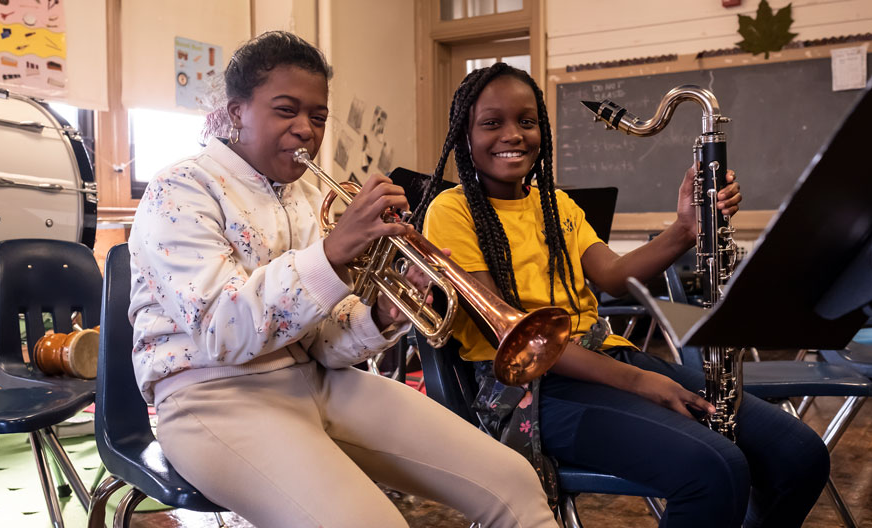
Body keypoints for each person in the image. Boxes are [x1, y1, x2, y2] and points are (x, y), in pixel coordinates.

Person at [127, 33, 558, 528]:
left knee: (513, 479)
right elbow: (221, 332)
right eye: (285, 111)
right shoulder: (180, 189)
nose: (305, 130)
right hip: (211, 397)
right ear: (237, 111)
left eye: (317, 117)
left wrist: (383, 313)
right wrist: (331, 255)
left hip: (317, 382)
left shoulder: (310, 196)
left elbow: (325, 347)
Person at [415, 62, 830, 528]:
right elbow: (518, 335)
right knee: (714, 467)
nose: (513, 134)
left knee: (800, 454)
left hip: (605, 360)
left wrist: (686, 228)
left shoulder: (558, 204)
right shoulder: (450, 210)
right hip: (529, 389)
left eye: (526, 121)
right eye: (492, 123)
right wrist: (637, 382)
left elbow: (613, 275)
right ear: (463, 136)